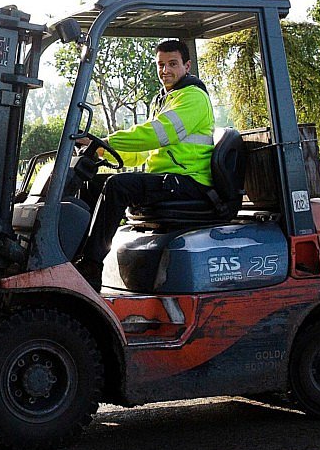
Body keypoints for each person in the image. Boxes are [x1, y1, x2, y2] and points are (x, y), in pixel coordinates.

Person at [74, 39, 215, 290]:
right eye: (160, 65)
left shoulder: (193, 98)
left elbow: (154, 135)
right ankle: (74, 256)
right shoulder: (165, 100)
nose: (165, 70)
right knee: (92, 182)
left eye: (172, 64)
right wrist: (103, 153)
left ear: (187, 66)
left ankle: (91, 265)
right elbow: (144, 153)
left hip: (189, 182)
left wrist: (105, 141)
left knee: (117, 186)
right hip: (169, 180)